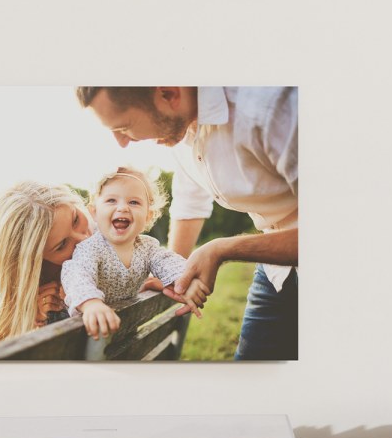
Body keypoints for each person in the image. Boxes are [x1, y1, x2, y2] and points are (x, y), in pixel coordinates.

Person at [75, 87, 298, 360]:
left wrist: (221, 248)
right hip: (277, 271)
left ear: (169, 95)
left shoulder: (273, 110)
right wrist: (176, 275)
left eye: (124, 126)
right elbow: (189, 203)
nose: (121, 142)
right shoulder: (180, 135)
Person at [61, 166, 206, 340]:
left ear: (148, 216)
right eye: (111, 200)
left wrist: (184, 280)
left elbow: (168, 261)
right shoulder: (90, 249)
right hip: (89, 335)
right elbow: (77, 275)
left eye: (134, 202)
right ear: (94, 212)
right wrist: (91, 304)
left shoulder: (148, 248)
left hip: (125, 334)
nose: (122, 208)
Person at [0, 181, 91, 350]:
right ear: (36, 262)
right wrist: (35, 318)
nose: (83, 239)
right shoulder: (41, 293)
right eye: (61, 245)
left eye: (75, 219)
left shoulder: (112, 233)